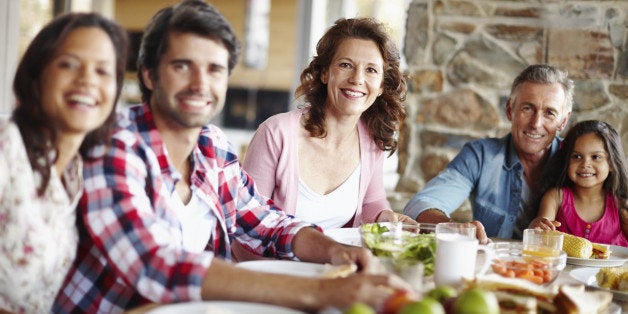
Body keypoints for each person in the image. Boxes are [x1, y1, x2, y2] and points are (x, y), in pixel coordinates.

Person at [52, 1, 410, 313]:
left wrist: (335, 251)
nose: (199, 83)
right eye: (182, 66)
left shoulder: (212, 146)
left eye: (214, 69)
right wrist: (317, 291)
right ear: (149, 74)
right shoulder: (113, 142)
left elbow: (269, 224)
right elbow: (152, 265)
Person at [0, 12, 127, 313]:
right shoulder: (6, 146)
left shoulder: (74, 176)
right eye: (68, 64)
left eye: (103, 71)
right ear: (37, 75)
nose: (87, 80)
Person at [243, 17, 415, 230]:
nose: (357, 79)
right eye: (346, 65)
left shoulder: (372, 140)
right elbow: (246, 222)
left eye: (371, 70)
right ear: (325, 73)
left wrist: (384, 217)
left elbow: (372, 201)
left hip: (338, 262)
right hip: (269, 263)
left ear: (381, 86)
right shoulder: (275, 134)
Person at [403, 64, 574, 242]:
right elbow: (419, 205)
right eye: (527, 109)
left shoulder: (578, 162)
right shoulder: (480, 155)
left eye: (549, 113)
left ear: (563, 121)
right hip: (491, 265)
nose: (536, 123)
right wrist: (452, 228)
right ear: (509, 110)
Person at [529, 120, 628, 246]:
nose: (585, 164)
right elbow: (540, 235)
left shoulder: (621, 205)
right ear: (566, 160)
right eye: (577, 156)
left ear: (612, 164)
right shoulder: (556, 197)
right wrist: (536, 227)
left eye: (596, 157)